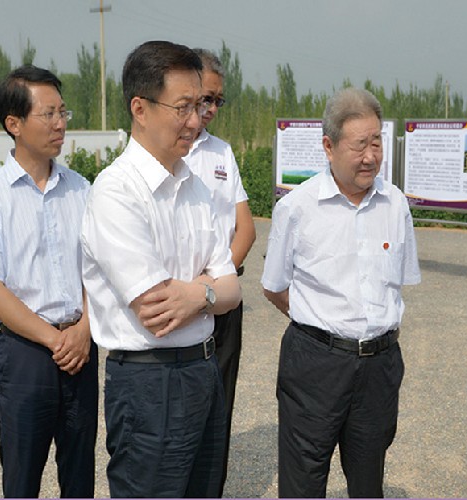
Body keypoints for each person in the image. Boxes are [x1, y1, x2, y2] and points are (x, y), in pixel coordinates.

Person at [80, 40, 241, 497]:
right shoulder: (116, 192)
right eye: (184, 107)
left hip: (203, 372)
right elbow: (156, 310)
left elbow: (234, 290)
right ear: (141, 108)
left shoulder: (195, 188)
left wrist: (197, 294)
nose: (196, 121)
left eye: (202, 105)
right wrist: (210, 290)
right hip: (150, 381)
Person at [262, 87, 421, 498]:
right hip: (314, 366)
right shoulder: (297, 208)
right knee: (303, 481)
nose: (371, 156)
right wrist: (324, 329)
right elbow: (275, 287)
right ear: (329, 147)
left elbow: (396, 285)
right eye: (359, 146)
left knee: (368, 481)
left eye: (376, 142)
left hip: (379, 367)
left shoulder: (395, 205)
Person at [0, 65, 96, 498]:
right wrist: (54, 340)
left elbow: (97, 271)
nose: (60, 123)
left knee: (79, 477)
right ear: (14, 124)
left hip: (82, 348)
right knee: (22, 479)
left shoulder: (82, 189)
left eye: (63, 112)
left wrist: (84, 329)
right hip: (25, 357)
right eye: (48, 114)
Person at [184, 47, 256, 495]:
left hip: (222, 304)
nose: (209, 111)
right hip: (177, 307)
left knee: (218, 409)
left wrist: (213, 286)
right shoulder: (157, 152)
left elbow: (245, 228)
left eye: (217, 102)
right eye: (203, 99)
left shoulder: (221, 153)